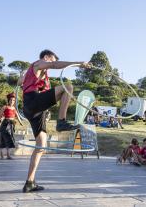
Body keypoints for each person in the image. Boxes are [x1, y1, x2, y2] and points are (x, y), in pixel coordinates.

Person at [17, 49, 91, 193]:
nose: (53, 62)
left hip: (35, 110)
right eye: (52, 59)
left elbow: (21, 81)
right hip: (33, 101)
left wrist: (22, 78)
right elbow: (55, 65)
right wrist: (78, 64)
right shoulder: (38, 64)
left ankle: (29, 182)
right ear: (46, 57)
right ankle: (61, 121)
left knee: (41, 146)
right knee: (68, 87)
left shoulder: (39, 76)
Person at [0, 93, 23, 159]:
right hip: (5, 124)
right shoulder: (5, 107)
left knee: (10, 139)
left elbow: (17, 116)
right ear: (8, 100)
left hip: (11, 124)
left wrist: (20, 122)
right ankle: (2, 155)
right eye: (11, 100)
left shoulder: (14, 108)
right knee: (4, 139)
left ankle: (8, 155)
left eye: (13, 100)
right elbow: (0, 115)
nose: (12, 101)